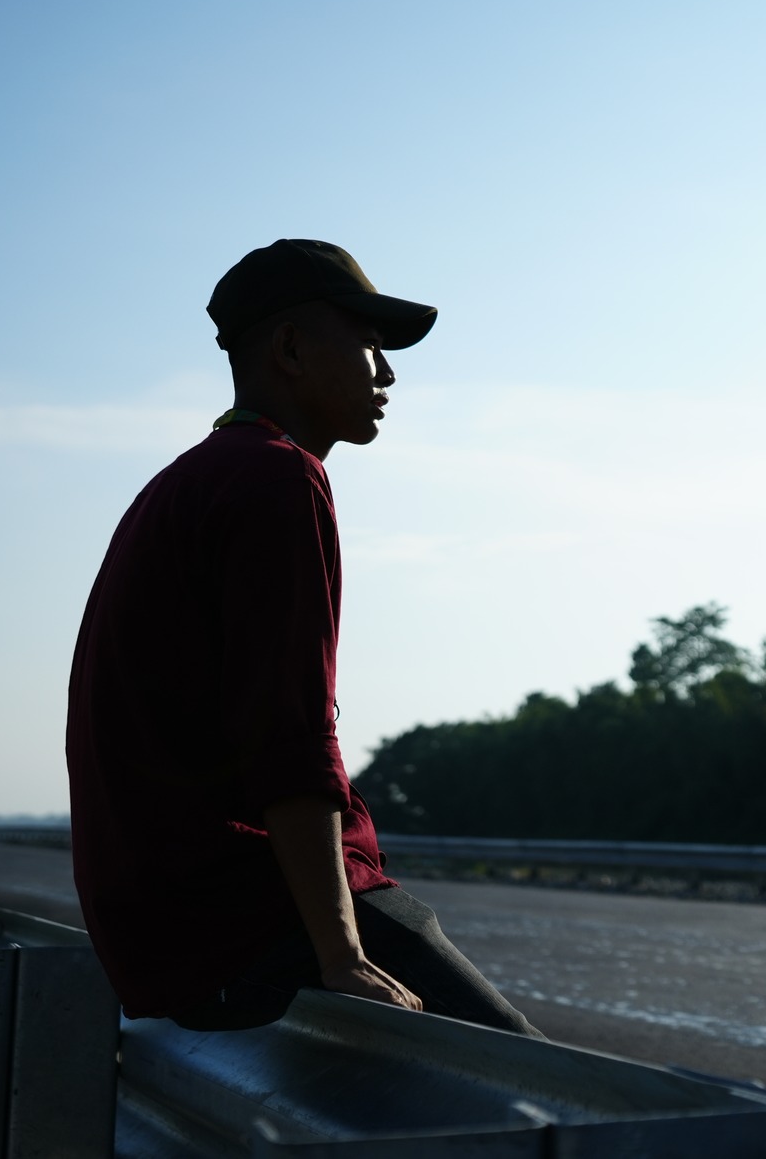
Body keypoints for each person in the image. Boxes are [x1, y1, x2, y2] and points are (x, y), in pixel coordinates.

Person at [65, 238, 540, 1036]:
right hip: (254, 912)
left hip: (172, 931)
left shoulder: (188, 480)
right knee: (533, 1085)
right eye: (369, 344)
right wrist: (342, 952)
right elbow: (287, 735)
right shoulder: (277, 478)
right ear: (289, 348)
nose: (387, 374)